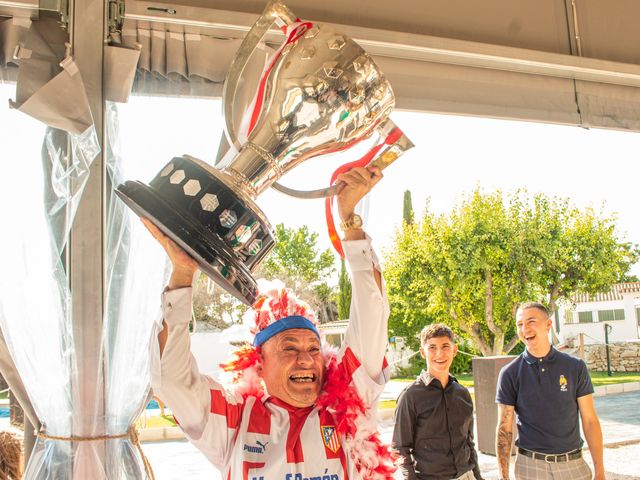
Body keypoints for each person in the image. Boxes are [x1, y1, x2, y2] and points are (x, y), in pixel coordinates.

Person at [143, 166, 397, 479]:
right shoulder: (235, 419)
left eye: (313, 348)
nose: (305, 358)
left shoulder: (348, 401)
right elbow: (171, 380)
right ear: (260, 365)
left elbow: (372, 310)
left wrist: (350, 221)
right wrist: (182, 275)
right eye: (289, 347)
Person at [495, 302, 605, 480]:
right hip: (529, 467)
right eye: (520, 324)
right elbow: (504, 428)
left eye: (531, 321)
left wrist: (600, 471)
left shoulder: (575, 367)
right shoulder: (509, 373)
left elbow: (590, 420)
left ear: (548, 325)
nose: (525, 329)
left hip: (572, 464)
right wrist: (503, 476)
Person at [393, 323, 483, 480]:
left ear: (454, 350)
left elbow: (468, 443)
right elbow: (400, 448)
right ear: (423, 352)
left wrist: (478, 476)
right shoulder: (410, 396)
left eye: (445, 346)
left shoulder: (463, 394)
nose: (439, 354)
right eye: (432, 347)